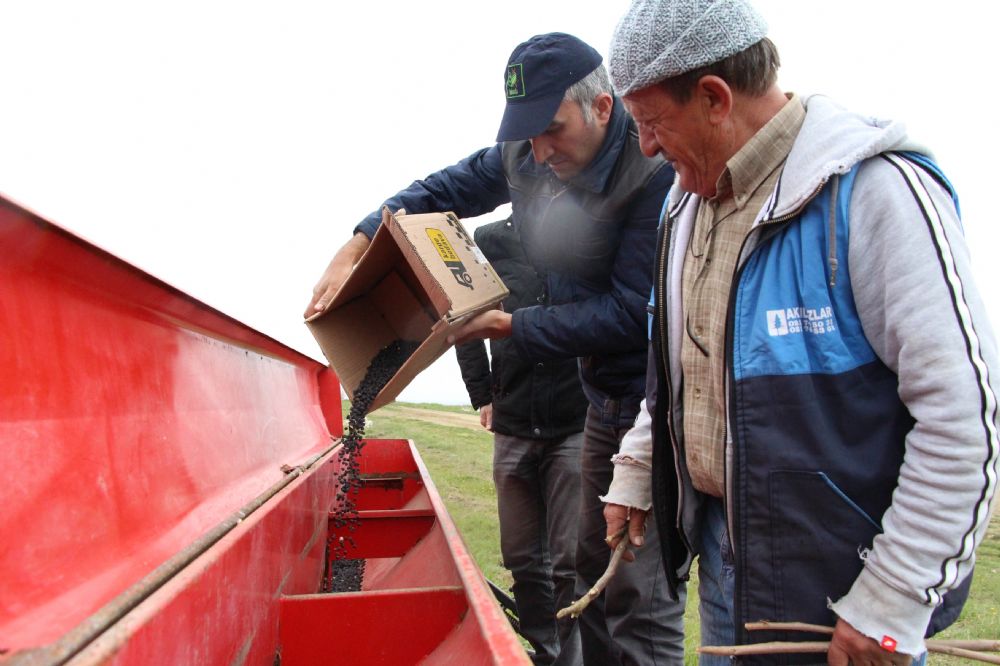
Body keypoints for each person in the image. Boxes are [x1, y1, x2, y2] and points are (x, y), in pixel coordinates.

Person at [600, 1, 1000, 665]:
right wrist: (640, 471)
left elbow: (965, 416)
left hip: (847, 595)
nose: (644, 147)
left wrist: (892, 598)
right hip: (729, 567)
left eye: (650, 123)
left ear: (713, 97)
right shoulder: (683, 204)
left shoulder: (875, 194)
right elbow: (678, 369)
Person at [305, 32, 686, 666]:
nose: (540, 150)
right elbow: (436, 192)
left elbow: (632, 315)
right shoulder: (527, 156)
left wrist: (516, 327)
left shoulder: (653, 175)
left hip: (649, 406)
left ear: (602, 107)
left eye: (553, 129)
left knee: (636, 597)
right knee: (591, 578)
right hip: (599, 402)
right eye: (527, 132)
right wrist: (358, 238)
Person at [455, 216, 588, 665]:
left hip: (575, 420)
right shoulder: (488, 241)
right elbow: (464, 319)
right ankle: (544, 651)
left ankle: (570, 657)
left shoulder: (588, 227)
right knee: (523, 558)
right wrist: (481, 394)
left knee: (571, 561)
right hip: (513, 417)